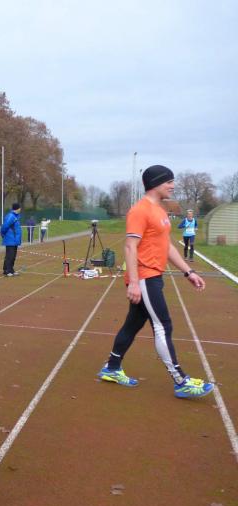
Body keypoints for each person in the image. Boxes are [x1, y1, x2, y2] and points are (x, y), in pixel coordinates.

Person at [98, 165, 213, 399]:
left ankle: (112, 368)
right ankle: (181, 381)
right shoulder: (140, 211)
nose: (173, 186)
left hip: (153, 276)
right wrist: (134, 282)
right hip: (145, 277)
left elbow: (166, 246)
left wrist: (188, 272)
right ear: (156, 183)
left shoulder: (159, 211)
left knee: (133, 324)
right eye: (169, 182)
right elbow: (130, 247)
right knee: (163, 325)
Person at [0, 203, 22, 276]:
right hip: (10, 240)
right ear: (17, 208)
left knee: (13, 256)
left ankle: (11, 270)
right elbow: (4, 226)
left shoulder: (16, 217)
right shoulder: (11, 216)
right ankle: (7, 270)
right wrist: (3, 234)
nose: (20, 209)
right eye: (20, 208)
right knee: (10, 256)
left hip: (14, 240)